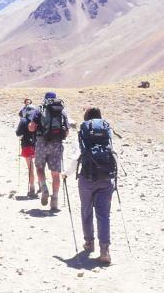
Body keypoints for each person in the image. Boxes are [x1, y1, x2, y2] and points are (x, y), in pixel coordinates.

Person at [64, 107, 116, 264]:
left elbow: (76, 158)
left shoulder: (83, 134)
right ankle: (105, 250)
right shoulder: (107, 132)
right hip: (106, 178)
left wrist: (66, 173)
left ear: (86, 119)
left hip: (87, 178)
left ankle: (89, 243)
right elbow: (112, 153)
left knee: (86, 211)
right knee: (104, 214)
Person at [28, 92, 70, 213]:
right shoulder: (61, 111)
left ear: (45, 99)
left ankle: (44, 188)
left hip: (41, 143)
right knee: (55, 174)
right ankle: (55, 201)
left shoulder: (40, 109)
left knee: (39, 167)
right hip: (56, 144)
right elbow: (66, 132)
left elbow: (31, 127)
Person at [16, 104, 37, 198]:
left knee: (30, 168)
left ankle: (32, 189)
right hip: (38, 146)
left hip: (26, 146)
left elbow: (18, 133)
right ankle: (42, 186)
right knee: (39, 167)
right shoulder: (38, 120)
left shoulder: (23, 120)